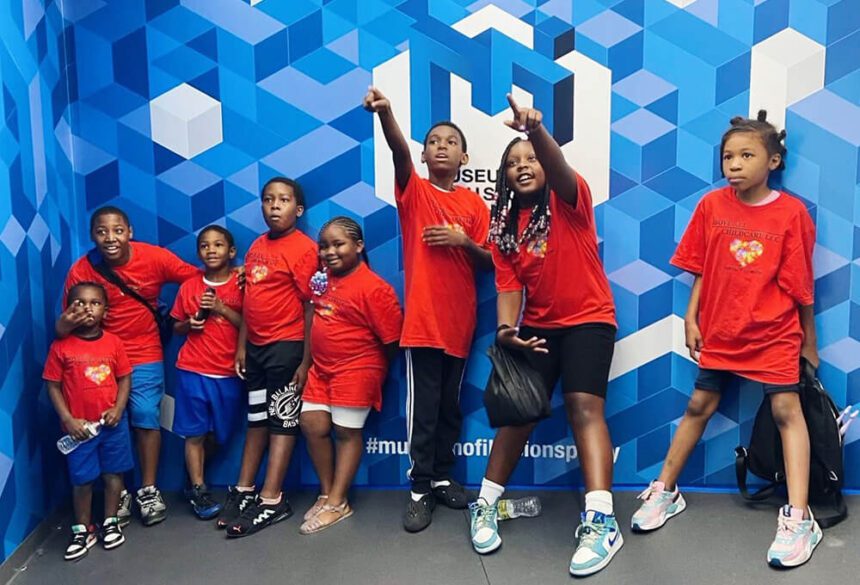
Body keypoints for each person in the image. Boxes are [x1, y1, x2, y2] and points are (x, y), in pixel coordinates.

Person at [630, 111, 821, 568]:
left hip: (775, 332)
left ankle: (799, 518)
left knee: (785, 410)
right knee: (698, 406)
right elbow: (701, 268)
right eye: (728, 156)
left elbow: (801, 286)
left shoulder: (792, 213)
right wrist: (691, 318)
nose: (734, 164)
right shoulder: (712, 207)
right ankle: (665, 491)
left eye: (746, 155)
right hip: (721, 330)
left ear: (773, 160)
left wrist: (808, 342)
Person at [471, 96, 621, 577]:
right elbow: (509, 285)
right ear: (503, 177)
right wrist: (505, 332)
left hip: (589, 319)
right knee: (517, 416)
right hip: (537, 328)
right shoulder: (503, 227)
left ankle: (601, 521)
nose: (523, 166)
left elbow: (559, 169)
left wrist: (536, 132)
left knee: (583, 406)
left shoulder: (568, 201)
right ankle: (486, 504)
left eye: (529, 158)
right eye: (512, 163)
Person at [364, 86, 492, 532]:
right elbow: (398, 150)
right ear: (423, 155)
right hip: (422, 325)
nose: (441, 146)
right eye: (434, 141)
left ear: (464, 158)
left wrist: (464, 242)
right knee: (423, 410)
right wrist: (387, 115)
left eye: (451, 142)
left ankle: (441, 477)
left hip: (460, 325)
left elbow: (492, 260)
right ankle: (419, 488)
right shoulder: (414, 193)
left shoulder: (475, 204)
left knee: (449, 409)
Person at [58, 206, 198, 526]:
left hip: (144, 351)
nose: (110, 237)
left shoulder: (154, 258)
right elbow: (64, 330)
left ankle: (147, 489)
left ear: (130, 232)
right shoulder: (82, 270)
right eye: (102, 231)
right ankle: (117, 490)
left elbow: (196, 279)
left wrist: (182, 317)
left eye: (117, 230)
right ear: (92, 235)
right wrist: (64, 326)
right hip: (100, 357)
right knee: (110, 422)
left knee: (146, 415)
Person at [220, 177, 318, 538]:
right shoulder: (257, 245)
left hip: (287, 349)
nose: (274, 206)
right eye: (268, 199)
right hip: (257, 351)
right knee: (257, 419)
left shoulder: (305, 249)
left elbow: (311, 308)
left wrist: (306, 362)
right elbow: (250, 301)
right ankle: (245, 489)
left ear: (298, 209)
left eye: (283, 200)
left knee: (282, 422)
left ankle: (273, 499)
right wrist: (242, 345)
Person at [299, 216, 403, 534]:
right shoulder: (322, 279)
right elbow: (311, 320)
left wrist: (371, 371)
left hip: (357, 369)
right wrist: (305, 364)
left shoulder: (375, 289)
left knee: (346, 432)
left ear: (358, 246)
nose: (329, 252)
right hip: (321, 369)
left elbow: (391, 340)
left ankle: (338, 503)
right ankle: (328, 493)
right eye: (324, 246)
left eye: (338, 244)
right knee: (312, 423)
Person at [45, 282, 133, 560]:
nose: (87, 308)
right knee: (82, 480)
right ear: (69, 309)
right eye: (80, 303)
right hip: (80, 431)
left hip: (112, 426)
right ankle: (83, 529)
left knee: (113, 474)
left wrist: (119, 408)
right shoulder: (61, 346)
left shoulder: (114, 343)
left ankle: (110, 521)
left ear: (105, 310)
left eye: (95, 303)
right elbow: (53, 385)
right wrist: (68, 419)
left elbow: (124, 378)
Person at [170, 225, 244, 520]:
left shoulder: (242, 284)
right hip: (192, 370)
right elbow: (175, 326)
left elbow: (252, 326)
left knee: (220, 435)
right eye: (204, 246)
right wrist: (190, 325)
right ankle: (199, 489)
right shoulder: (189, 286)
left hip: (228, 373)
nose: (211, 250)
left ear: (231, 252)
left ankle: (192, 476)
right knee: (195, 433)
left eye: (218, 245)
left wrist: (223, 309)